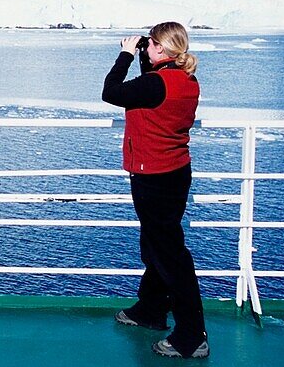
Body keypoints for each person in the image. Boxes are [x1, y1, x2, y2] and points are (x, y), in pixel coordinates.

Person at [101, 21, 209, 359]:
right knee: (157, 245)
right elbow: (155, 82)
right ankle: (150, 309)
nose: (145, 49)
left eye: (150, 45)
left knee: (170, 256)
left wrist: (125, 54)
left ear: (160, 48)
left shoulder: (154, 85)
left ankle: (192, 336)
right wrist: (146, 55)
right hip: (175, 172)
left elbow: (111, 91)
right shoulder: (187, 81)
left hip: (152, 176)